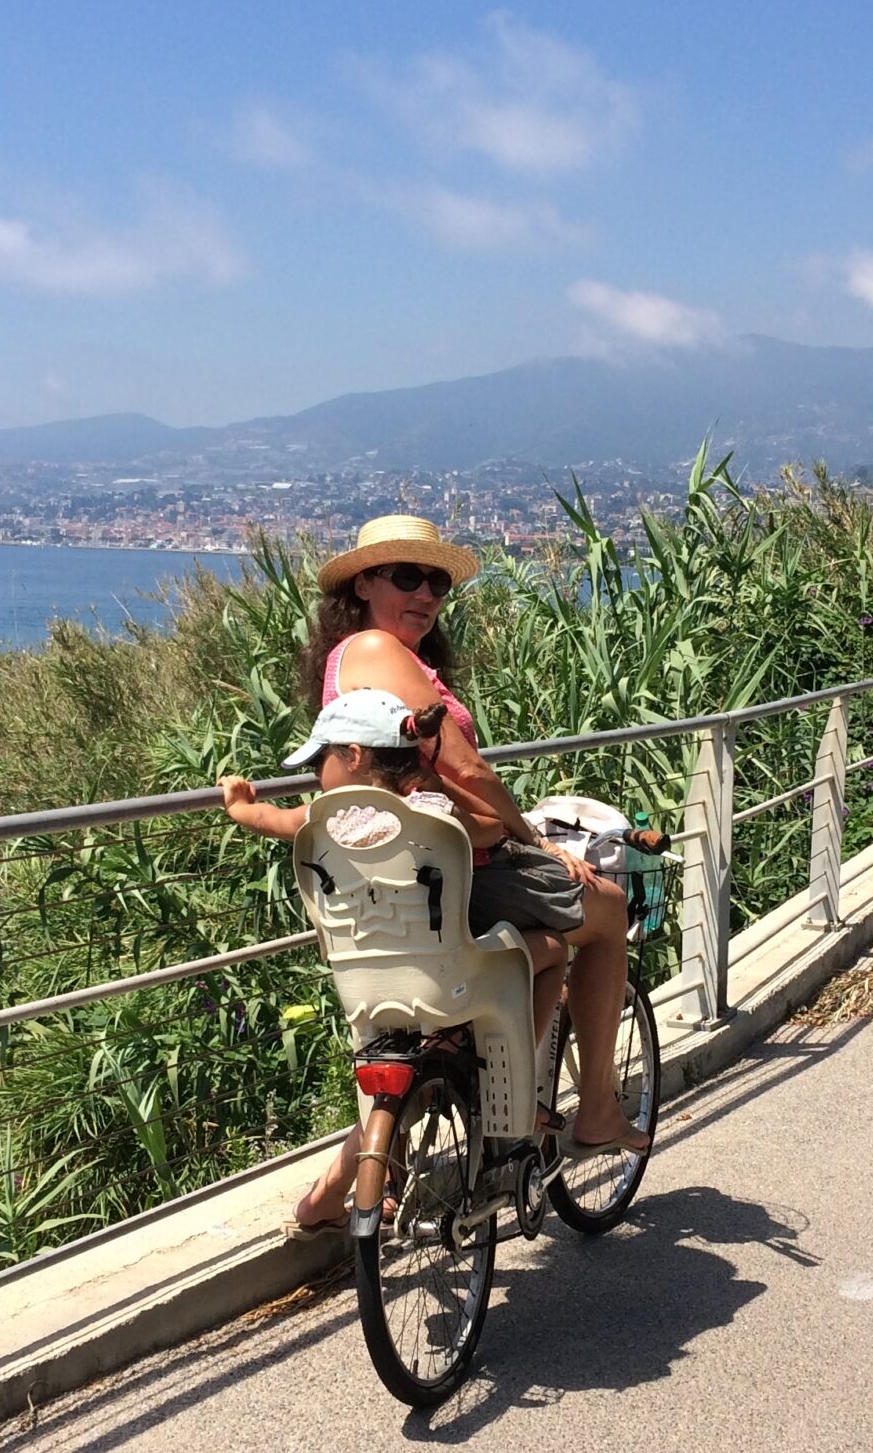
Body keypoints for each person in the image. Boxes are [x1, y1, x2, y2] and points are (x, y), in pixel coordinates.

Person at [300, 518, 644, 1150]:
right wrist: (532, 840)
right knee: (609, 909)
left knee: (541, 949)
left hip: (400, 879)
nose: (426, 594)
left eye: (436, 582)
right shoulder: (376, 651)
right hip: (444, 871)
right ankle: (594, 1107)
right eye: (407, 577)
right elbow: (463, 767)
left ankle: (333, 1195)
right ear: (363, 584)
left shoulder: (361, 659)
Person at [220, 688, 576, 1237]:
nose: (318, 776)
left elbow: (271, 818)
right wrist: (444, 789)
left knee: (395, 1070)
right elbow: (491, 828)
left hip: (363, 984)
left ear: (355, 756)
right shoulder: (429, 812)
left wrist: (240, 805)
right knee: (554, 951)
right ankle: (514, 1090)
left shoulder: (322, 823)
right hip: (447, 977)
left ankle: (342, 1187)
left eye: (321, 761)